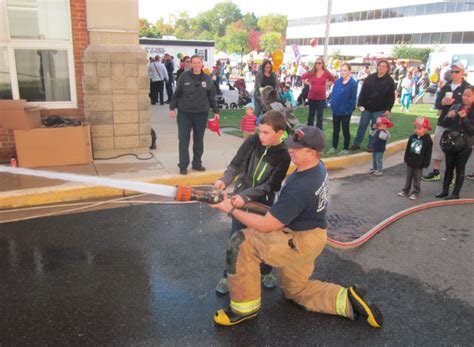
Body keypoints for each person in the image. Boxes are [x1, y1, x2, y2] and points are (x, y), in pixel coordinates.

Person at [210, 126, 384, 328]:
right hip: (311, 236)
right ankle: (348, 300)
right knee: (296, 291)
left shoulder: (301, 186)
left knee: (242, 243)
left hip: (297, 240)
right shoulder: (316, 167)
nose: (290, 149)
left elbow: (267, 225)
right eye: (291, 144)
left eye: (296, 148)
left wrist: (228, 209)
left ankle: (243, 309)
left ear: (312, 152)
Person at [214, 110, 291, 295]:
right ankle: (228, 275)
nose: (261, 136)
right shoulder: (252, 141)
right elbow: (236, 164)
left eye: (266, 132)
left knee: (264, 239)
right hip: (239, 198)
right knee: (236, 238)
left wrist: (246, 196)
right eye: (260, 130)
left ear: (279, 133)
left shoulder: (284, 155)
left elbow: (270, 185)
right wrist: (224, 180)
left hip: (262, 203)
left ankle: (265, 272)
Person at [169, 55, 220, 175]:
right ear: (191, 64)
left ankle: (197, 163)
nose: (197, 65)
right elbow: (176, 94)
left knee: (198, 140)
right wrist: (172, 107)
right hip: (184, 114)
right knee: (183, 140)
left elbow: (212, 97)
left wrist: (216, 111)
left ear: (202, 64)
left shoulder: (207, 79)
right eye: (194, 63)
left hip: (201, 114)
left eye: (199, 62)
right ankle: (183, 165)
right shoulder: (184, 77)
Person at [422, 62, 470, 182]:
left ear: (462, 72)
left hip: (459, 124)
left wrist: (459, 110)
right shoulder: (445, 87)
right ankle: (436, 171)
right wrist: (443, 103)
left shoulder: (467, 87)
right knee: (438, 145)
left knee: (456, 149)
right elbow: (437, 104)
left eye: (456, 71)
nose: (454, 74)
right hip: (444, 121)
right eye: (452, 71)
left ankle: (452, 175)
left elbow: (470, 105)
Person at [435, 86, 474, 199]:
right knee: (449, 166)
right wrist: (448, 116)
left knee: (460, 168)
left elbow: (471, 131)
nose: (465, 97)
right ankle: (445, 190)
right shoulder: (456, 106)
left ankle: (455, 193)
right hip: (452, 141)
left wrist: (465, 118)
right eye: (464, 95)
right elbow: (444, 123)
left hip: (466, 143)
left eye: (468, 95)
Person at [351, 60, 395, 152]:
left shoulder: (389, 81)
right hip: (367, 108)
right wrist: (359, 104)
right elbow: (363, 92)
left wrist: (388, 108)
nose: (381, 68)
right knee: (362, 126)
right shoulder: (370, 78)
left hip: (379, 109)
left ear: (387, 69)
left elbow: (391, 96)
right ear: (377, 66)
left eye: (384, 66)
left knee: (375, 128)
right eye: (380, 66)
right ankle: (356, 144)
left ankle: (371, 145)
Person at [398, 117, 433, 200]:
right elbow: (408, 149)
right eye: (415, 128)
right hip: (410, 161)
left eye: (419, 128)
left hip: (419, 163)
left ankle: (416, 192)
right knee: (409, 176)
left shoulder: (427, 139)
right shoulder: (412, 137)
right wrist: (406, 158)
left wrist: (426, 163)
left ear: (425, 129)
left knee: (417, 178)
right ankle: (405, 190)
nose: (417, 130)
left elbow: (428, 153)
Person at [329, 63, 358, 156]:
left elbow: (353, 99)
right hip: (336, 110)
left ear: (349, 71)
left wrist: (348, 109)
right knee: (335, 129)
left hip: (346, 112)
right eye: (341, 70)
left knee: (345, 129)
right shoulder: (337, 82)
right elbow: (333, 94)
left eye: (345, 70)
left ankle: (346, 147)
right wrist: (333, 104)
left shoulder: (353, 83)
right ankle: (334, 146)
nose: (343, 72)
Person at [301, 57, 335, 129]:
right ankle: (309, 130)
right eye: (316, 63)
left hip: (321, 98)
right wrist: (308, 83)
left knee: (319, 115)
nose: (317, 65)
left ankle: (319, 132)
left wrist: (326, 84)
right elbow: (302, 77)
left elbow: (333, 80)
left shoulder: (326, 73)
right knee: (311, 115)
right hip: (312, 97)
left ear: (322, 64)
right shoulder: (311, 72)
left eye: (319, 63)